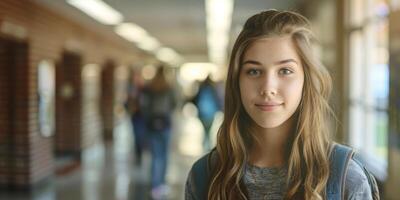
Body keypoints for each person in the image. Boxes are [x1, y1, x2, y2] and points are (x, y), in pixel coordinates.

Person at [185, 10, 379, 200]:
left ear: (306, 81)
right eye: (253, 71)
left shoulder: (346, 179)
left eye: (285, 71)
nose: (268, 88)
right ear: (237, 82)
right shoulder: (205, 176)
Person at [141, 66, 176, 199]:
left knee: (155, 156)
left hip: (152, 125)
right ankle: (161, 183)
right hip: (165, 124)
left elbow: (144, 106)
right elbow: (174, 104)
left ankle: (155, 186)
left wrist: (149, 119)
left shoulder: (148, 88)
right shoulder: (168, 88)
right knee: (164, 155)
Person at [193, 76, 222, 151]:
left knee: (205, 129)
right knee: (208, 130)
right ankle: (207, 144)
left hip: (202, 113)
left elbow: (195, 100)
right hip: (211, 113)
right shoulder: (213, 89)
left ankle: (205, 144)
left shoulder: (201, 88)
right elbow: (218, 100)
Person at [126, 69, 146, 166]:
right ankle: (138, 155)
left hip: (144, 116)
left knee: (141, 136)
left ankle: (141, 152)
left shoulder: (145, 89)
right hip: (135, 116)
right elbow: (126, 103)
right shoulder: (131, 89)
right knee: (137, 136)